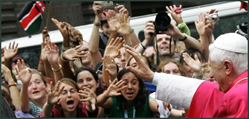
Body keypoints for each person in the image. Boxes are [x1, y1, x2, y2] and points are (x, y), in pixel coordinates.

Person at [125, 33, 248, 118]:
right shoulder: (239, 87)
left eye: (212, 67)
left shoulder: (238, 96)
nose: (210, 74)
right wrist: (152, 76)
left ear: (227, 67)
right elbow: (199, 89)